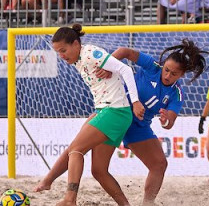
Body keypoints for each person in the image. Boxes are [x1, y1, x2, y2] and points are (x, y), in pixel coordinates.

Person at [38, 40, 209, 206]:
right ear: (163, 64)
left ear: (181, 75)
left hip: (138, 126)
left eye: (173, 74)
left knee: (159, 165)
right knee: (81, 152)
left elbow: (170, 121)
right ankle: (48, 181)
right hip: (116, 111)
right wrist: (109, 66)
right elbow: (125, 51)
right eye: (166, 70)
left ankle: (147, 203)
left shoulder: (176, 94)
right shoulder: (152, 67)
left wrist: (165, 120)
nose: (167, 75)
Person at [42, 24, 143, 206]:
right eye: (58, 53)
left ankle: (69, 199)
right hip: (109, 111)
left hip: (114, 111)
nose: (61, 56)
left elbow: (126, 70)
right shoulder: (78, 58)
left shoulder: (90, 53)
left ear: (75, 44)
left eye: (63, 50)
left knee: (75, 150)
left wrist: (135, 101)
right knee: (99, 171)